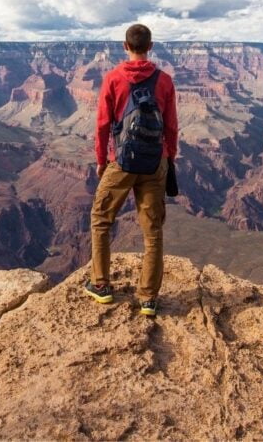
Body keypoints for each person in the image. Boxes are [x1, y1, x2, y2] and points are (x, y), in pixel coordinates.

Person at [85, 23, 178, 317]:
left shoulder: (113, 78)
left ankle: (101, 285)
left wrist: (102, 159)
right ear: (150, 46)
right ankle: (148, 298)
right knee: (153, 232)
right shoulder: (164, 81)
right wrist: (168, 158)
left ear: (125, 46)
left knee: (101, 219)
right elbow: (172, 126)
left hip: (121, 162)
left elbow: (102, 125)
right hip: (155, 163)